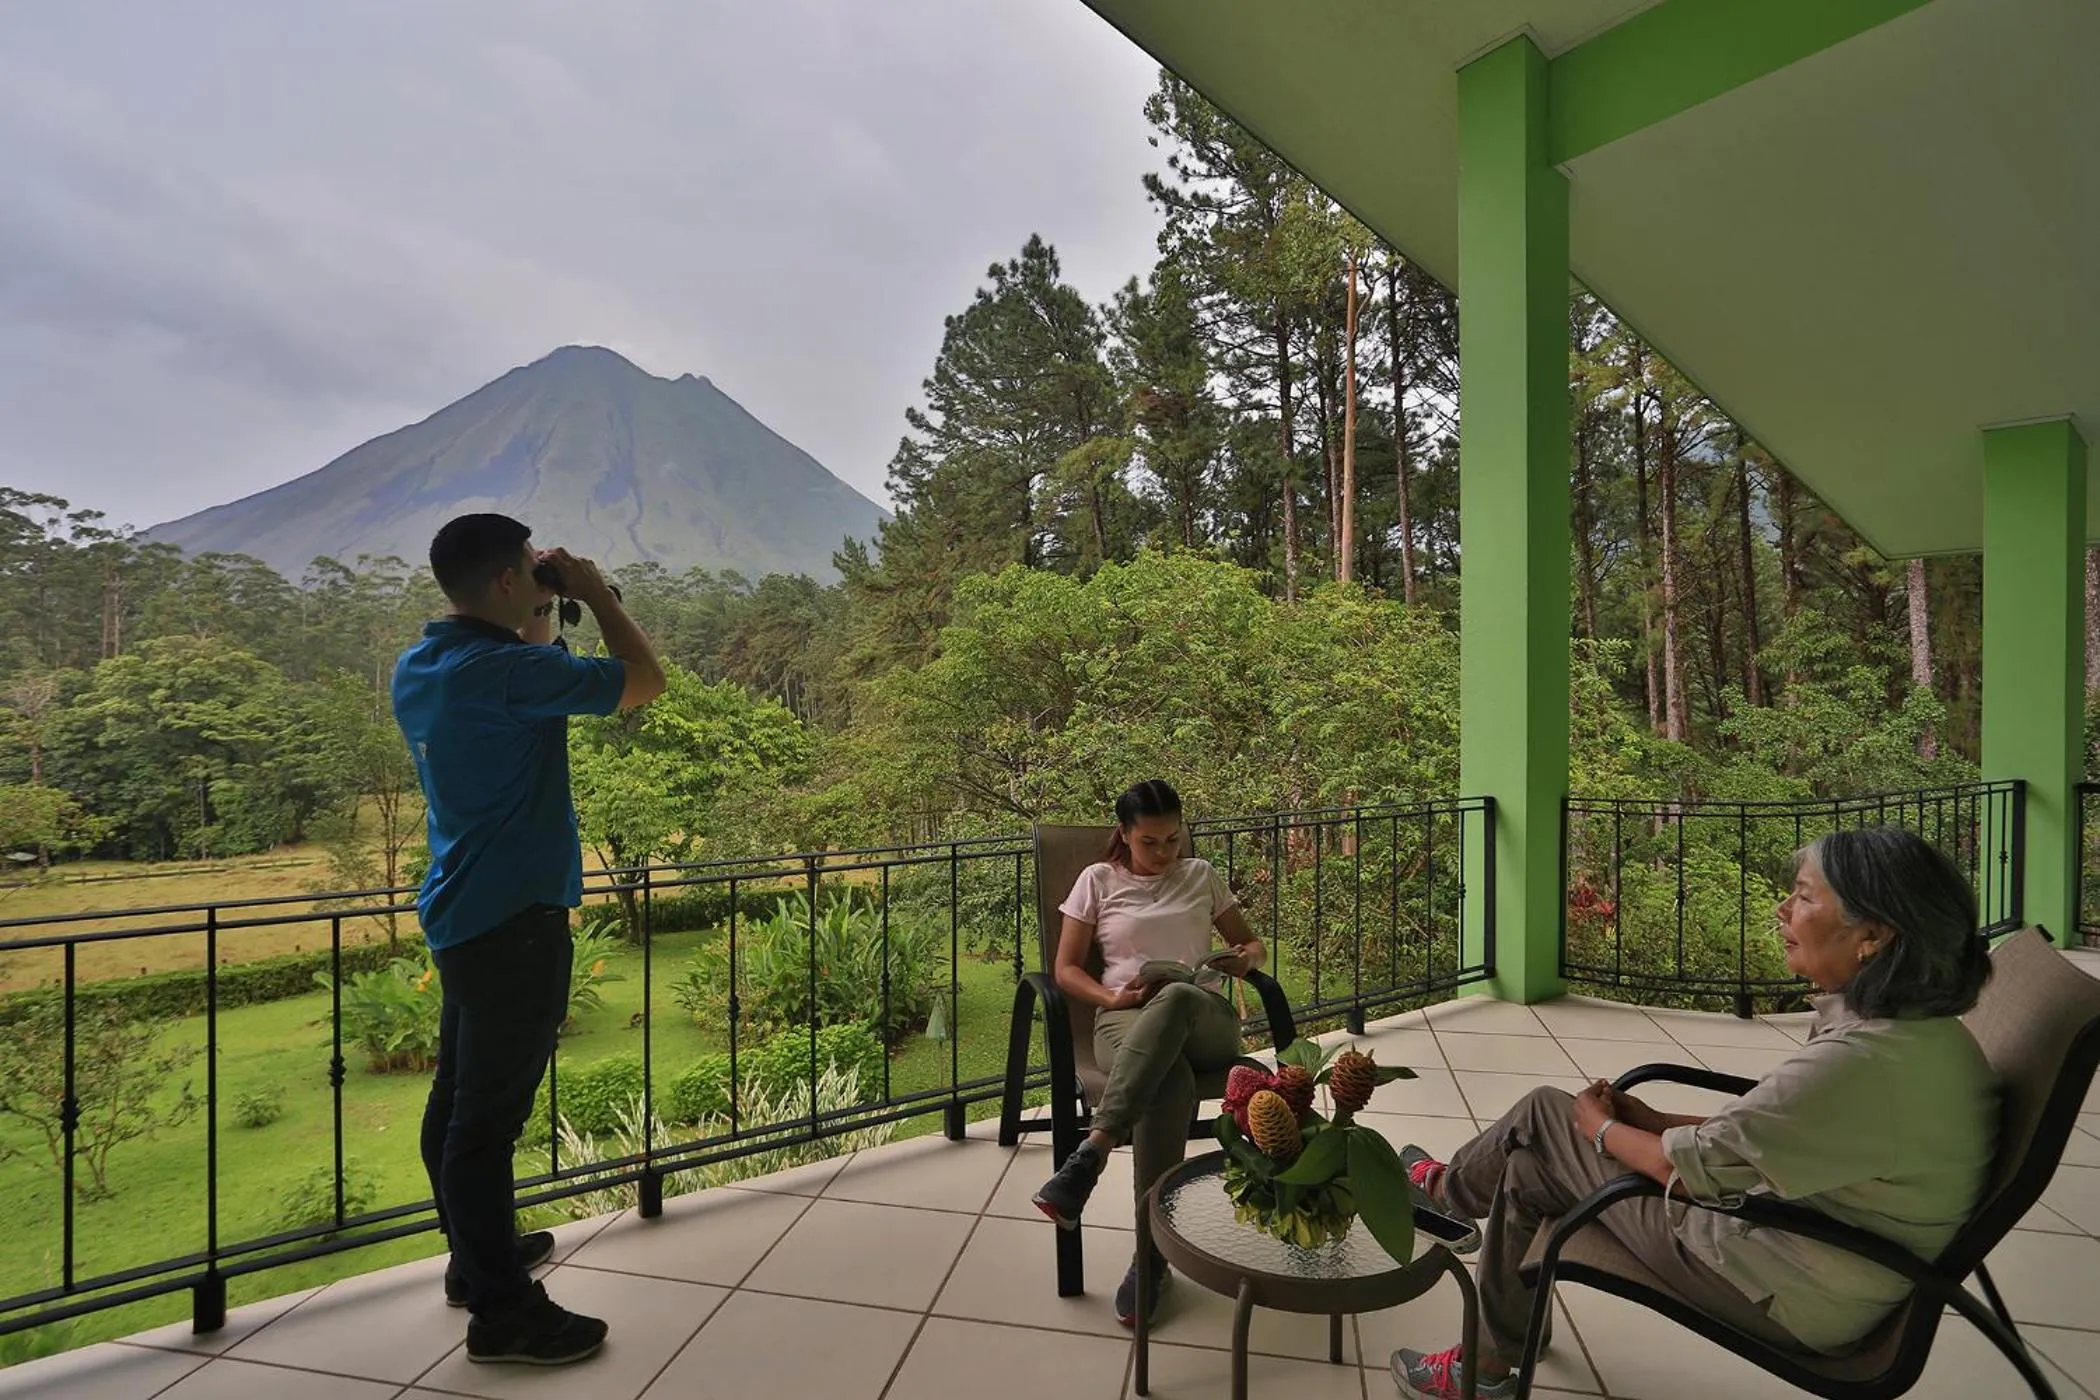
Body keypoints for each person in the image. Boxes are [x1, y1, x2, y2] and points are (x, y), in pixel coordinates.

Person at [1386, 827, 1997, 1400]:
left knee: (1548, 1114)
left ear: (1876, 934)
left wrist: (1601, 1128)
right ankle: (1490, 1358)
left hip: (1779, 1280)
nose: (1783, 910)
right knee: (1526, 1171)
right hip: (1813, 1247)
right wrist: (1646, 1117)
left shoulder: (1862, 1067)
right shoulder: (1923, 1039)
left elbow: (1693, 1173)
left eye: (1804, 897)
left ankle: (1447, 1197)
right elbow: (1758, 1141)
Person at [393, 514, 666, 1366]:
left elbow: (537, 664)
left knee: (455, 1109)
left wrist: (542, 603)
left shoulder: (427, 665)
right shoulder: (504, 671)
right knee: (485, 1125)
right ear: (511, 581)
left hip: (461, 914)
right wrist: (590, 594)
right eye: (529, 572)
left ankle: (478, 1265)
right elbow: (644, 681)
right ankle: (504, 1314)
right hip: (516, 923)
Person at [1031, 779, 1266, 1326]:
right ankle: (1151, 1258)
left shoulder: (1201, 875)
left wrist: (1244, 960)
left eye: (1172, 840)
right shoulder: (1097, 881)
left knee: (1181, 994)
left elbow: (1252, 943)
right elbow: (1065, 970)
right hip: (1125, 1020)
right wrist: (1113, 995)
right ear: (1124, 834)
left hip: (1205, 1021)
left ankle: (1094, 1146)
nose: (1164, 853)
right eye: (1150, 842)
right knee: (1166, 1082)